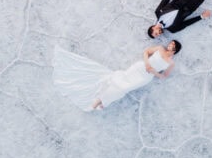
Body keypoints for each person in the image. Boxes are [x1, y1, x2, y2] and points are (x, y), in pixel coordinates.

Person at [52, 40, 182, 111]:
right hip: (139, 67)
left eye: (172, 45)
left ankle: (103, 100)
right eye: (170, 43)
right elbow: (146, 52)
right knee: (119, 83)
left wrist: (154, 72)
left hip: (146, 77)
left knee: (124, 89)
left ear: (175, 50)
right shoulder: (159, 48)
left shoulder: (171, 63)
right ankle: (100, 101)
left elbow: (164, 76)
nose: (169, 45)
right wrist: (147, 63)